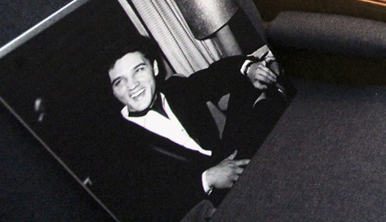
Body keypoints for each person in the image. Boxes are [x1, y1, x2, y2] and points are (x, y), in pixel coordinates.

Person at [98, 35, 289, 221]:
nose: (132, 85)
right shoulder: (118, 144)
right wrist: (207, 179)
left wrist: (249, 68)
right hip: (205, 202)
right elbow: (147, 207)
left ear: (154, 68)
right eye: (120, 81)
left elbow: (213, 75)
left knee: (250, 85)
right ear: (114, 92)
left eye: (138, 70)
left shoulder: (175, 89)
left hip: (231, 155)